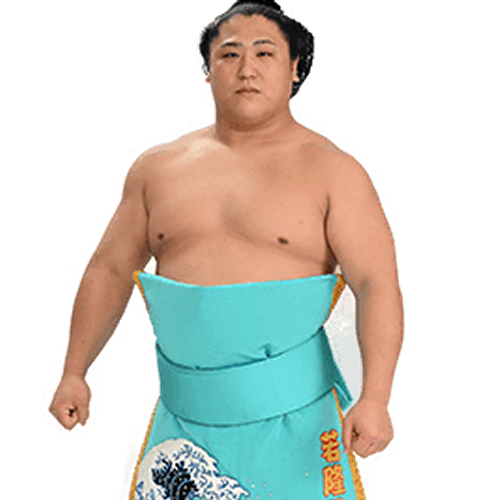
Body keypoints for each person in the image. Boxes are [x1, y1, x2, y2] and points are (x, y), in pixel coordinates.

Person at [49, 1, 404, 498]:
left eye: (265, 53)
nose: (247, 69)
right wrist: (74, 371)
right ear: (208, 69)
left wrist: (376, 398)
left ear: (294, 68)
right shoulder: (158, 169)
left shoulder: (335, 172)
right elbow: (109, 270)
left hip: (301, 426)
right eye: (230, 54)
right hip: (181, 428)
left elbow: (376, 284)